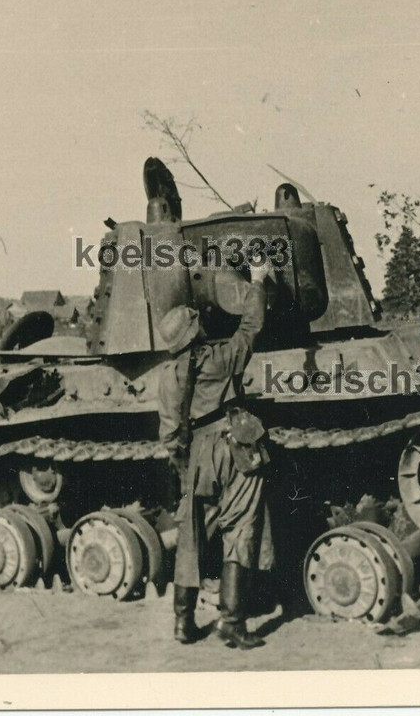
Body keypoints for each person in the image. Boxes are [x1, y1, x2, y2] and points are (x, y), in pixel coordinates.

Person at [158, 264, 273, 649]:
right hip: (232, 445)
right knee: (240, 527)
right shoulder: (221, 356)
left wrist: (183, 466)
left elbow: (171, 432)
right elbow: (250, 328)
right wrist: (257, 282)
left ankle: (182, 622)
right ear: (197, 331)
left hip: (197, 454)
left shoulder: (169, 374)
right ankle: (232, 623)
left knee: (190, 537)